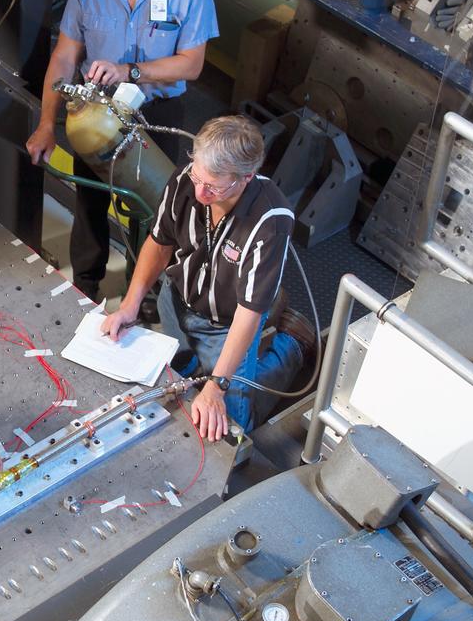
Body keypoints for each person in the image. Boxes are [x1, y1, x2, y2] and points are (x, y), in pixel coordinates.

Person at [26, 0, 219, 303]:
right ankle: (87, 283)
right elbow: (64, 56)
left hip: (157, 109)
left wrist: (130, 71)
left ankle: (145, 290)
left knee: (156, 206)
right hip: (97, 110)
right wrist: (46, 125)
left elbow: (191, 64)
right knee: (90, 200)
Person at [99, 116, 317, 441]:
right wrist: (129, 306)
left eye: (213, 186)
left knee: (232, 423)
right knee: (179, 379)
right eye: (197, 176)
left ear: (247, 177)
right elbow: (159, 244)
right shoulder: (189, 179)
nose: (200, 192)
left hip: (227, 324)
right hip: (176, 302)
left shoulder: (270, 222)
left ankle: (292, 345)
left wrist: (218, 386)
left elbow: (248, 312)